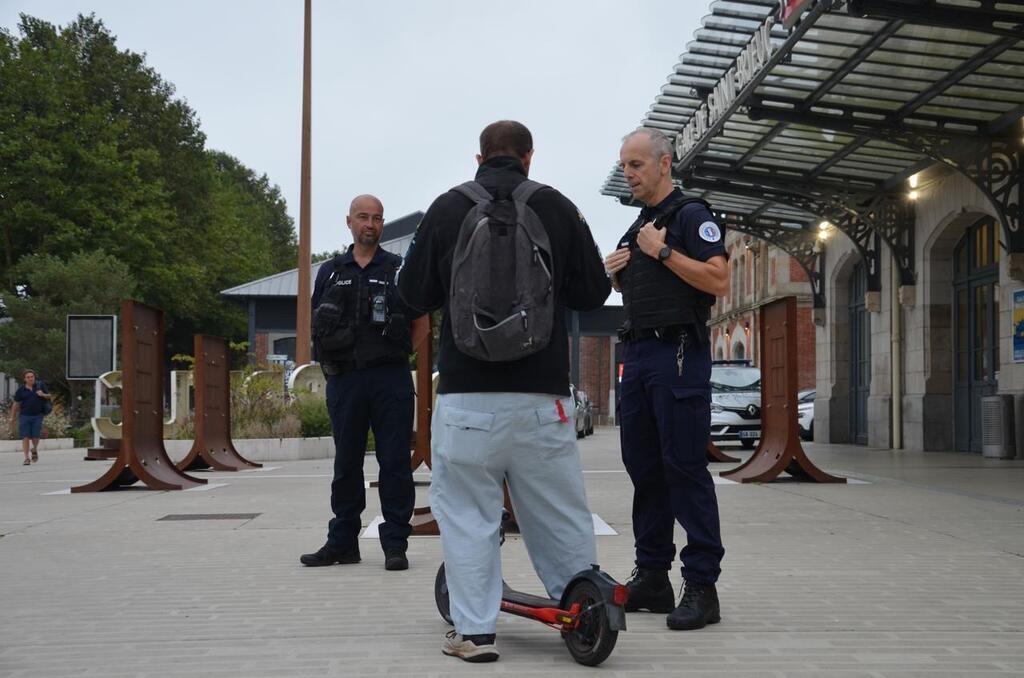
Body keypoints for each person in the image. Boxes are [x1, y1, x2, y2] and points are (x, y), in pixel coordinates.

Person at [399, 120, 611, 662]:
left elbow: (412, 293)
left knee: (469, 516)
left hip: (466, 400)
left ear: (479, 157)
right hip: (543, 399)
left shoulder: (447, 208)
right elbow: (592, 291)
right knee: (559, 512)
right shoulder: (557, 207)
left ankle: (473, 633)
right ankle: (581, 612)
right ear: (529, 158)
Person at [603, 127, 729, 631]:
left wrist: (661, 251)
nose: (628, 174)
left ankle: (701, 585)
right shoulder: (635, 227)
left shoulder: (691, 216)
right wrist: (616, 274)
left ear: (663, 163)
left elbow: (718, 281)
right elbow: (640, 288)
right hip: (637, 356)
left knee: (683, 469)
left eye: (636, 165)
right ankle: (653, 576)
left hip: (678, 356)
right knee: (645, 470)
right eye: (624, 165)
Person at [300, 194, 416, 572]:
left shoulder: (399, 269)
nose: (370, 224)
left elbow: (421, 322)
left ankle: (395, 544)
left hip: (390, 379)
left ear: (382, 224)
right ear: (348, 221)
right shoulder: (331, 271)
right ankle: (342, 543)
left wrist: (396, 355)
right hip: (345, 380)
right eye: (363, 217)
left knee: (395, 463)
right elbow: (316, 321)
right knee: (346, 464)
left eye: (377, 218)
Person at [9, 369, 52, 465]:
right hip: (24, 416)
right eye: (28, 377)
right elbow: (15, 404)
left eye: (32, 377)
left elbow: (49, 396)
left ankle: (34, 449)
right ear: (25, 379)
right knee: (25, 437)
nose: (30, 379)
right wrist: (12, 416)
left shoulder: (40, 386)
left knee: (35, 437)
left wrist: (43, 394)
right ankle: (26, 458)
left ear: (34, 377)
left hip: (38, 415)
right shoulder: (21, 390)